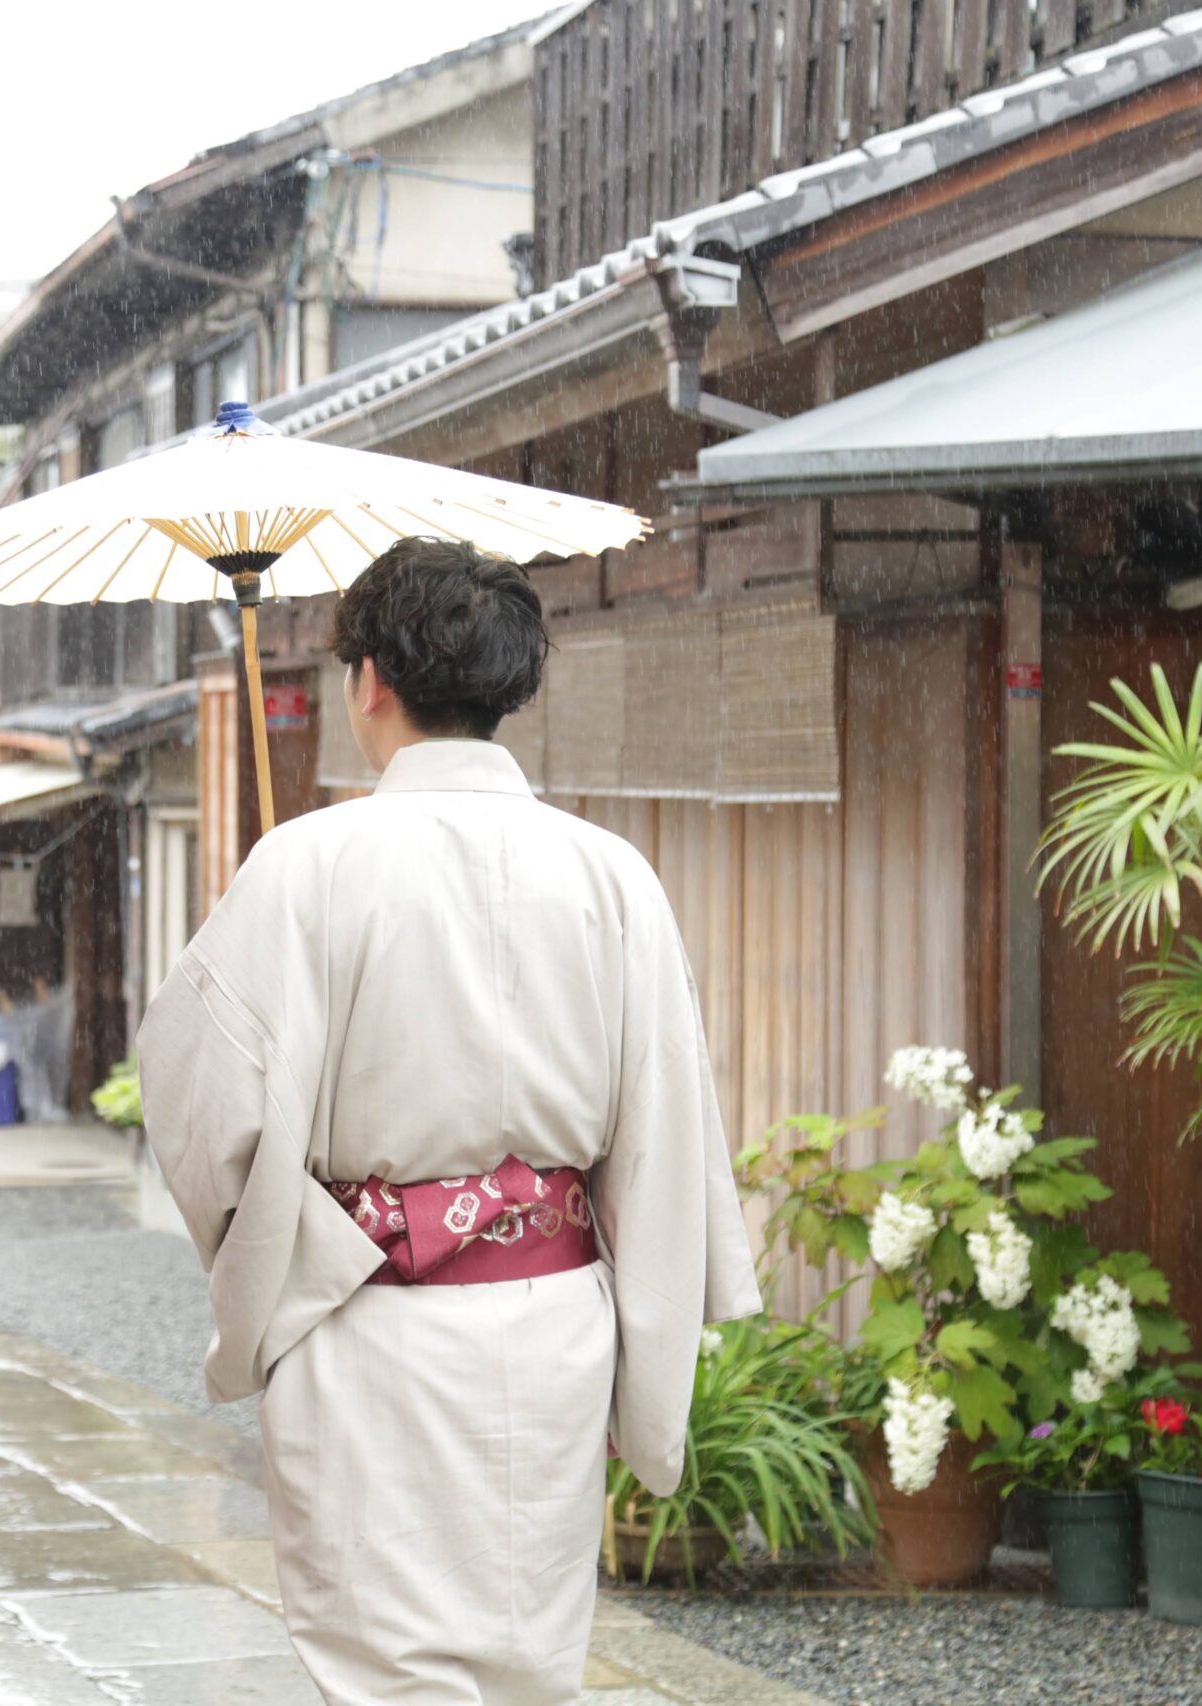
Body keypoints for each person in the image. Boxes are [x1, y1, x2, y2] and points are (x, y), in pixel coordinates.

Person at [139, 538, 760, 1705]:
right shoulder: (611, 873)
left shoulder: (307, 862)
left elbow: (201, 1099)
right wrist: (650, 1351)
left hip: (371, 1319)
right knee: (530, 1665)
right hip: (554, 1330)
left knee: (384, 1669)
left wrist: (293, 1245)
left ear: (367, 678)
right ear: (506, 682)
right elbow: (664, 1127)